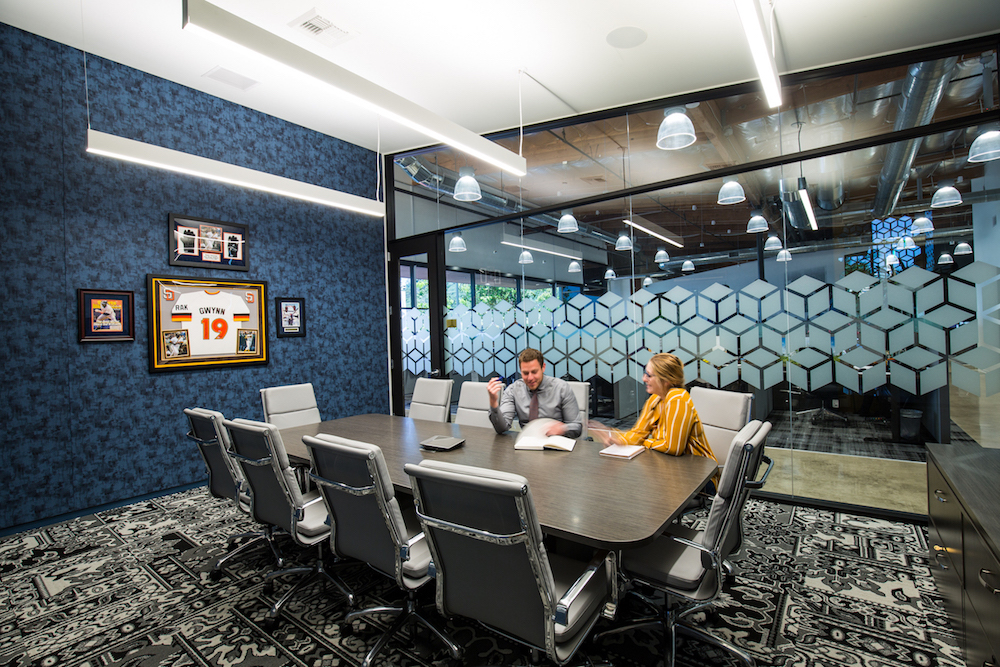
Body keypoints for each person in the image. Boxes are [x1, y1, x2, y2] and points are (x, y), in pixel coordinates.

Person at [591, 353, 719, 489]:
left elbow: (672, 448)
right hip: (670, 472)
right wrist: (617, 438)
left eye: (649, 375)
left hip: (698, 477)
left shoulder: (678, 399)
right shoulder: (655, 399)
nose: (643, 379)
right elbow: (638, 432)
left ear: (666, 380)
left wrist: (644, 441)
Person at [488, 348, 581, 438]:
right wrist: (493, 402)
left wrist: (563, 428)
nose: (530, 378)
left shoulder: (562, 388)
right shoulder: (513, 390)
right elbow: (502, 428)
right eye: (525, 373)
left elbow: (577, 427)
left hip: (555, 443)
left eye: (534, 372)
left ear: (543, 367)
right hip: (526, 444)